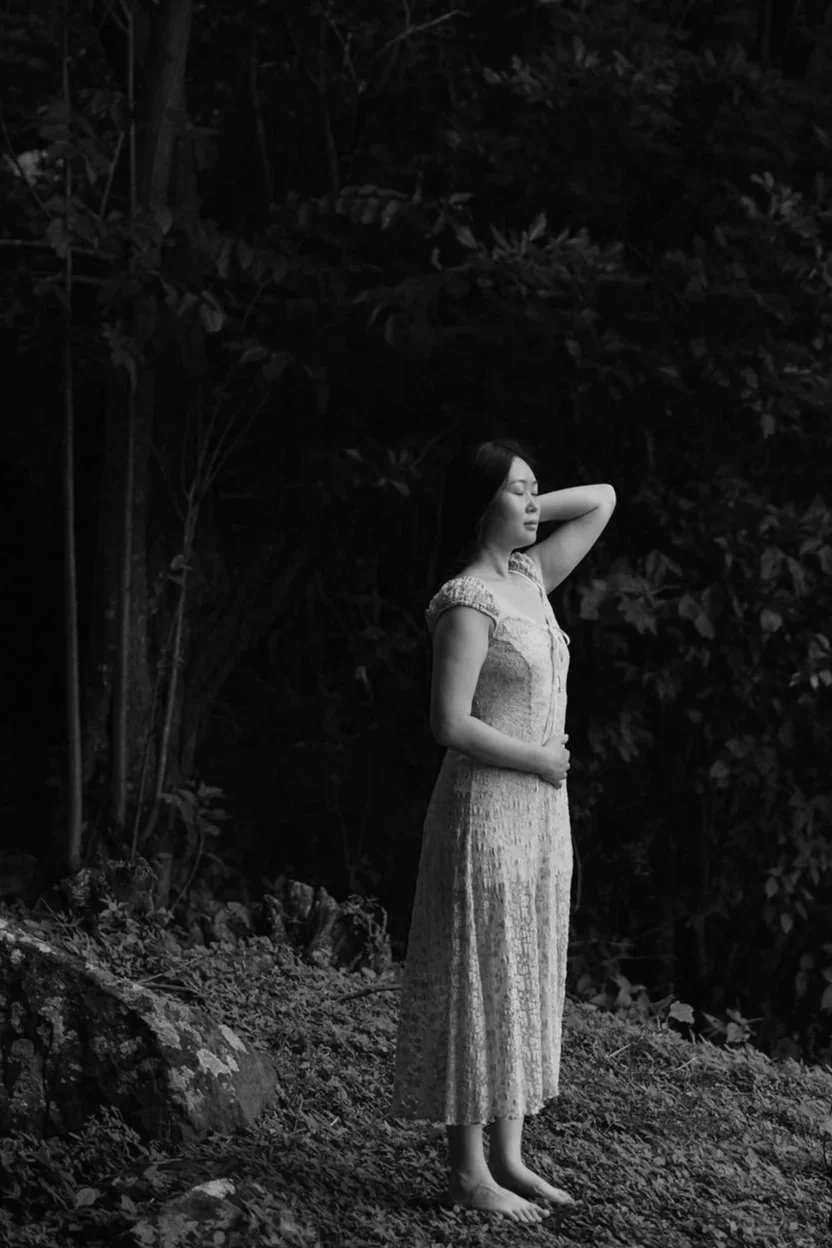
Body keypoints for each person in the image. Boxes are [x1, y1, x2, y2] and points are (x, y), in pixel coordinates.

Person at [389, 437, 616, 1225]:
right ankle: (468, 1171)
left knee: (521, 966)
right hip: (486, 808)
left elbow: (604, 498)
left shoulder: (530, 576)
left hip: (540, 814)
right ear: (480, 503)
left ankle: (512, 1158)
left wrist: (521, 506)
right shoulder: (467, 600)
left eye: (535, 489)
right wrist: (538, 759)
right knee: (478, 975)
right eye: (517, 491)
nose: (533, 503)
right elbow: (448, 722)